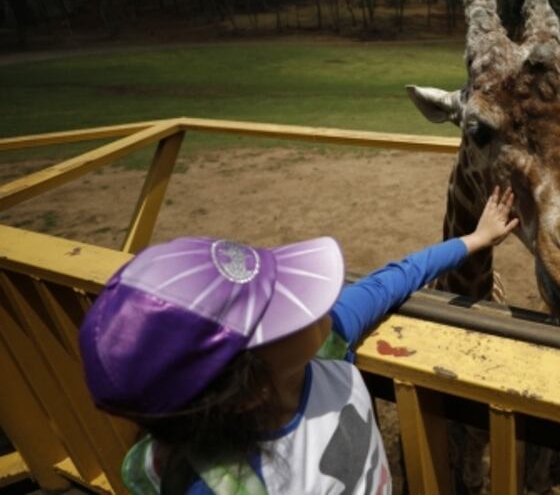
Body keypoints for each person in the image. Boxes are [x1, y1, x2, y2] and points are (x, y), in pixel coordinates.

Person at [79, 187, 519, 495]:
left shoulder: (327, 340)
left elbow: (392, 279)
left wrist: (475, 239)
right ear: (251, 390)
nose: (312, 300)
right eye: (282, 309)